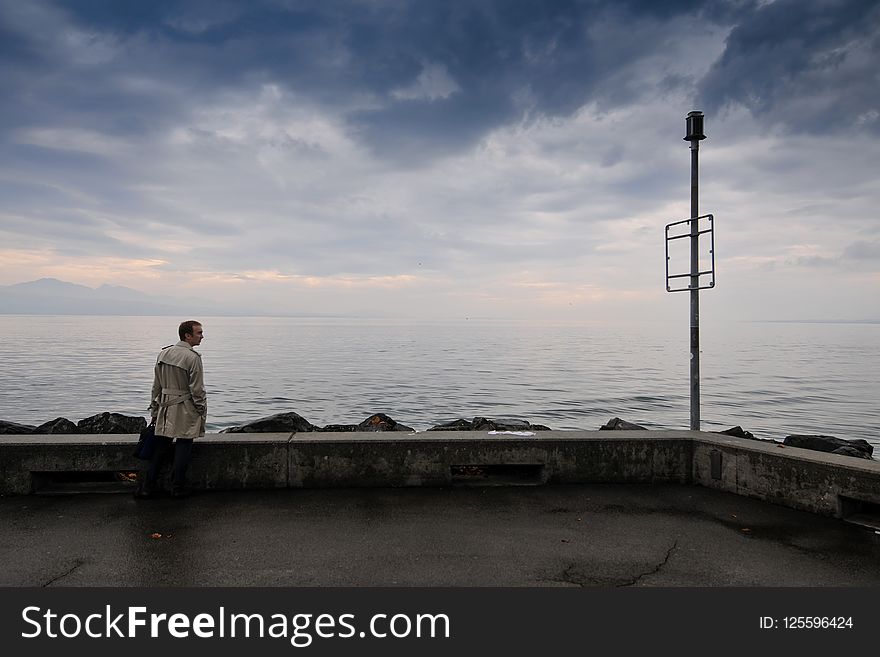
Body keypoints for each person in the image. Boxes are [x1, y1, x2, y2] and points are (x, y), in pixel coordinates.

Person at [136, 320, 207, 499]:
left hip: (165, 407)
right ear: (187, 335)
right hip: (184, 407)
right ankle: (177, 486)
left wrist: (154, 410)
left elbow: (156, 387)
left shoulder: (163, 354)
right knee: (184, 445)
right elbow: (197, 389)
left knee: (160, 447)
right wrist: (201, 409)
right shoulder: (193, 357)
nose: (202, 336)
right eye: (199, 333)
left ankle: (147, 486)